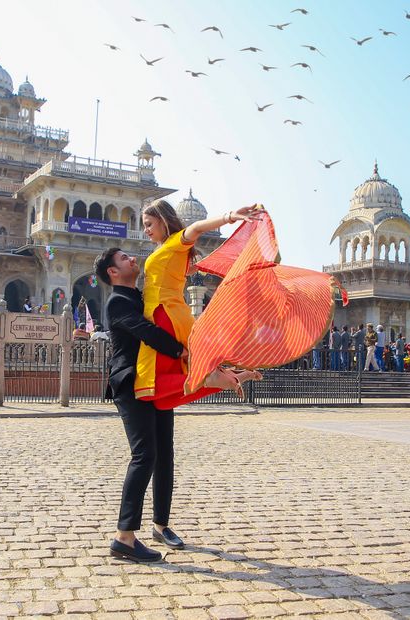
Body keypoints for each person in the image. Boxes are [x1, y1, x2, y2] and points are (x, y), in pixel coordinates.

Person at [95, 247, 188, 563]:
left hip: (155, 382)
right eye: (124, 259)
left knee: (165, 453)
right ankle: (124, 537)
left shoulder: (142, 297)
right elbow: (147, 332)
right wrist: (179, 351)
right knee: (144, 453)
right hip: (131, 383)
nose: (132, 259)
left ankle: (161, 525)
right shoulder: (118, 302)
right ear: (112, 272)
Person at [135, 200, 262, 409]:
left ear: (163, 221)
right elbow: (184, 272)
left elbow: (194, 229)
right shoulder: (170, 251)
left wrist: (229, 216)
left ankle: (210, 379)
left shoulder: (175, 241)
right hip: (171, 314)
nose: (146, 230)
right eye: (144, 225)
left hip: (163, 314)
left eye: (149, 223)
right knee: (162, 392)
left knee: (150, 385)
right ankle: (229, 377)